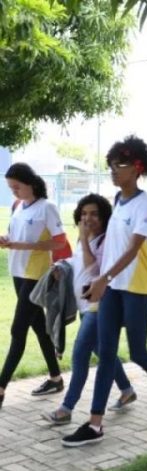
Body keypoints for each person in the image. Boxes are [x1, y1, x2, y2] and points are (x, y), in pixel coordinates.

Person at [62, 136, 147, 447]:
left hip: (137, 288)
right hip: (113, 288)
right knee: (105, 354)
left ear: (137, 168)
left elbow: (133, 250)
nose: (113, 172)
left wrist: (103, 277)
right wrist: (98, 278)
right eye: (111, 166)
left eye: (118, 166)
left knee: (138, 352)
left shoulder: (145, 203)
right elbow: (114, 247)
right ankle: (95, 425)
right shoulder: (118, 201)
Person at [42, 194, 136, 425]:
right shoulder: (84, 238)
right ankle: (127, 390)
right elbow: (78, 264)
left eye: (94, 213)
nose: (88, 218)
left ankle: (66, 408)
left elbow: (95, 271)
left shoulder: (106, 241)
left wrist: (84, 240)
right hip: (85, 304)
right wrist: (61, 268)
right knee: (103, 352)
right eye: (84, 214)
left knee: (80, 353)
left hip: (100, 305)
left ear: (104, 217)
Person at [0, 163, 67, 409]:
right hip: (18, 272)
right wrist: (7, 240)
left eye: (17, 186)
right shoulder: (17, 206)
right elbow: (17, 236)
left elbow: (59, 243)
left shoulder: (47, 208)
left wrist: (23, 246)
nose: (14, 191)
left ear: (30, 183)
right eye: (10, 188)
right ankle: (56, 378)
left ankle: (1, 387)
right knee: (39, 327)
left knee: (18, 331)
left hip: (36, 275)